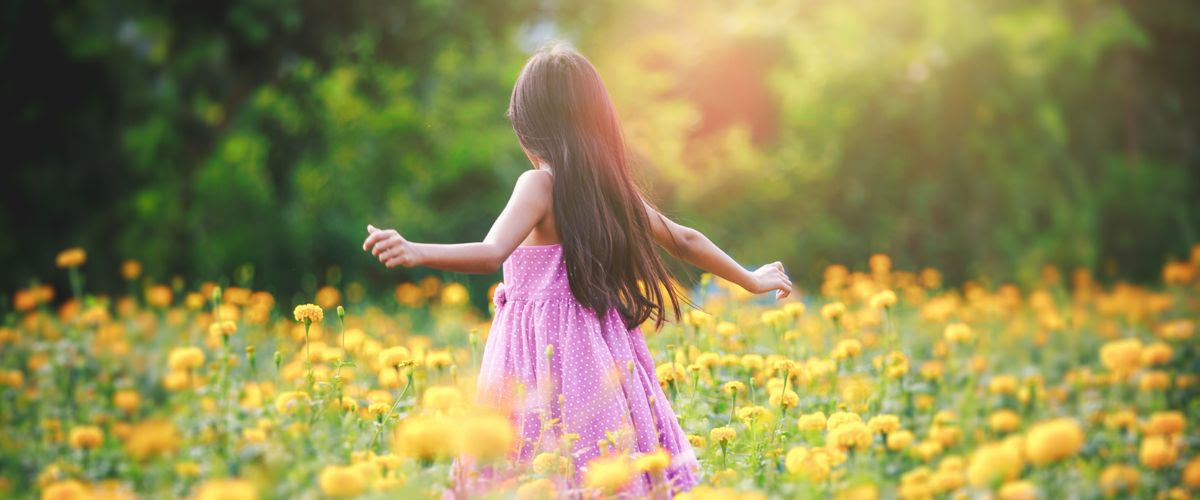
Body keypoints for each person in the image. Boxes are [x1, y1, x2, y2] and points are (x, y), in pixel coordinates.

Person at [362, 42, 792, 497]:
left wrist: (416, 250)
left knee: (531, 463)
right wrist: (749, 278)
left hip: (537, 354)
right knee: (601, 460)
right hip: (598, 349)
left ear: (528, 127)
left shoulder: (539, 184)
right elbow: (684, 239)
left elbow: (491, 252)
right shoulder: (609, 188)